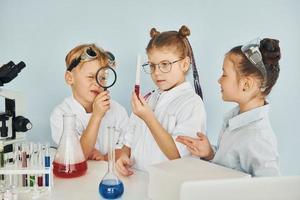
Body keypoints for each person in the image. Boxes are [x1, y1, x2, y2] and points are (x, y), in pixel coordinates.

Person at [176, 38, 281, 177]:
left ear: (246, 85)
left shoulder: (258, 138)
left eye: (224, 74)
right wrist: (210, 153)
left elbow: (270, 190)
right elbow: (230, 166)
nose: (219, 80)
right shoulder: (235, 119)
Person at [116, 25, 207, 176]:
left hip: (167, 186)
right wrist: (124, 155)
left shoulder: (192, 104)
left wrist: (148, 118)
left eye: (165, 64)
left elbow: (177, 156)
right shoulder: (147, 99)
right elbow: (128, 141)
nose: (156, 72)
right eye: (152, 66)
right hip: (137, 180)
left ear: (184, 64)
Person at [50, 43, 129, 161]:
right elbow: (77, 156)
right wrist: (96, 116)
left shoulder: (117, 110)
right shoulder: (61, 114)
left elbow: (127, 147)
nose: (98, 83)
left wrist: (106, 157)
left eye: (102, 78)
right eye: (91, 77)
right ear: (70, 78)